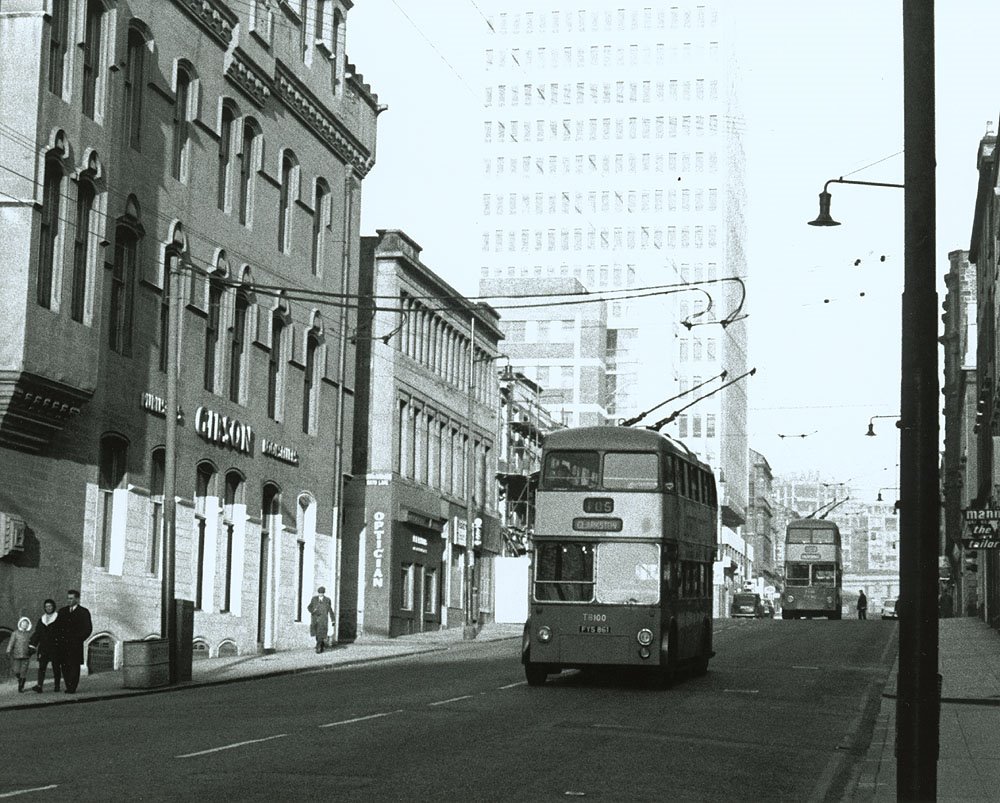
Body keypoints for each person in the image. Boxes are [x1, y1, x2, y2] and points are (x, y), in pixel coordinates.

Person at [56, 589, 92, 694]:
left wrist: (79, 638)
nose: (69, 601)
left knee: (74, 666)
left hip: (75, 645)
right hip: (63, 645)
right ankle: (68, 685)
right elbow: (57, 627)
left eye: (71, 598)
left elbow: (88, 629)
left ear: (77, 599)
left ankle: (72, 688)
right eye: (68, 598)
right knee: (64, 666)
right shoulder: (62, 611)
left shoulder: (83, 612)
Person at [29, 598, 61, 693]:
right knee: (42, 667)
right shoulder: (42, 619)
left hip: (55, 647)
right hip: (44, 647)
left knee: (56, 666)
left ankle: (57, 685)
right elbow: (37, 633)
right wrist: (32, 645)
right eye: (46, 606)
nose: (48, 608)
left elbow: (62, 633)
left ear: (53, 606)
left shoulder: (58, 618)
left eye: (50, 606)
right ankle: (39, 686)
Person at [6, 616, 33, 692]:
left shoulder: (29, 634)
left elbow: (33, 644)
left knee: (23, 671)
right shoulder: (15, 633)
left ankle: (21, 687)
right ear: (20, 624)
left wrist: (32, 650)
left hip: (26, 655)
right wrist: (8, 651)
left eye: (26, 623)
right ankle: (19, 679)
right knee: (16, 671)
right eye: (23, 623)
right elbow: (11, 643)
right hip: (16, 655)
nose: (24, 625)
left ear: (28, 625)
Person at [307, 586, 334, 653]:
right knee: (317, 634)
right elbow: (309, 607)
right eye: (319, 593)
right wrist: (313, 611)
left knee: (321, 633)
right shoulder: (314, 599)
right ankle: (321, 644)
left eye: (322, 593)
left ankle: (318, 647)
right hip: (315, 619)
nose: (320, 594)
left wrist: (333, 619)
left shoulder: (327, 600)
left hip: (323, 620)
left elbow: (330, 610)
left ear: (323, 593)